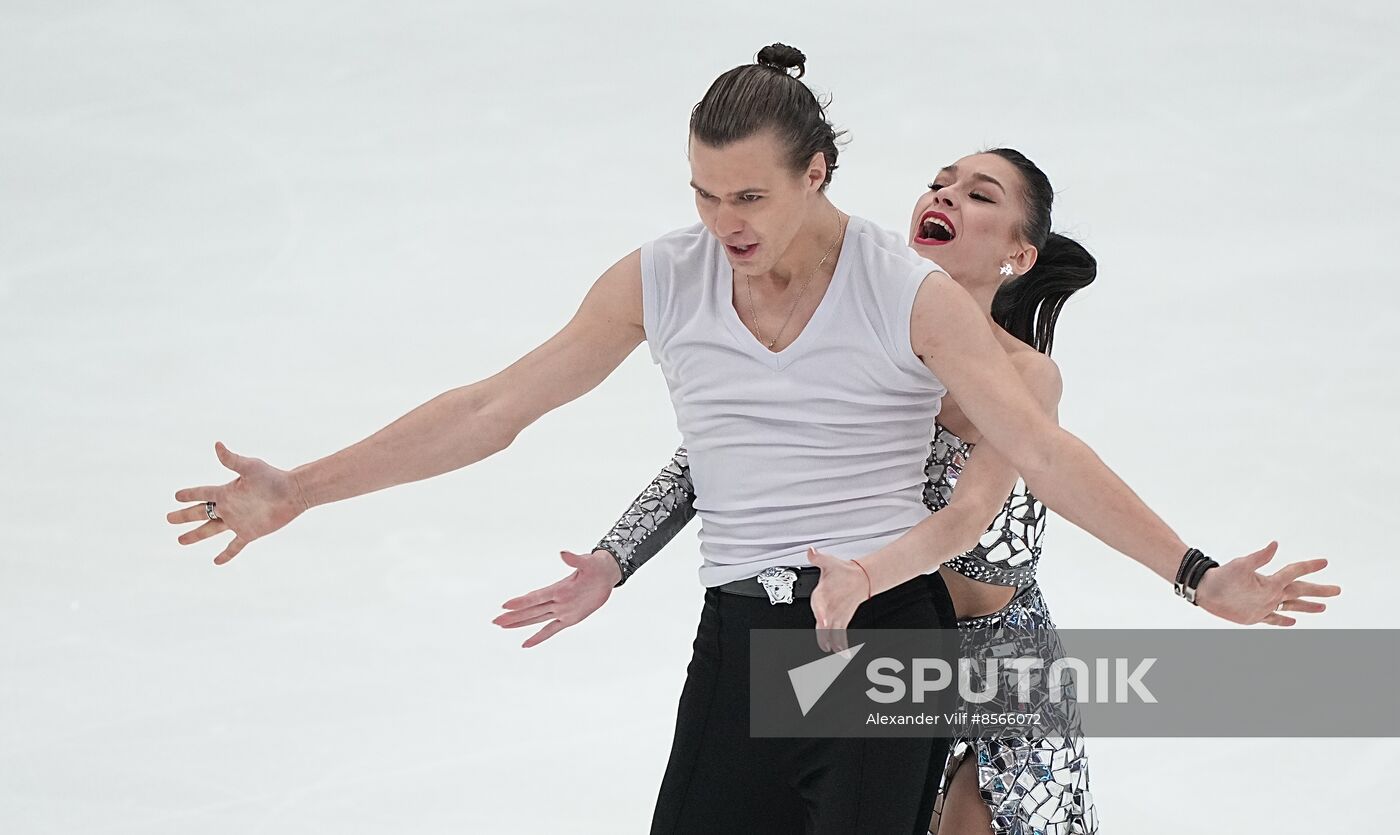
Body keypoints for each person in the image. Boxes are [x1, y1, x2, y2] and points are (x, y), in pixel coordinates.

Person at [168, 44, 1333, 834]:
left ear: (815, 173)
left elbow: (1035, 450)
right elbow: (495, 406)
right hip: (741, 633)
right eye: (701, 195)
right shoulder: (660, 278)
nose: (723, 225)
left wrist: (1192, 574)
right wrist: (305, 488)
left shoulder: (903, 290)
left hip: (880, 634)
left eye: (748, 199)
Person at [494, 147, 1342, 835]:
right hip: (878, 649)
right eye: (939, 181)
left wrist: (1197, 575)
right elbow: (708, 460)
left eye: (979, 194)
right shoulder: (864, 328)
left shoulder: (1022, 376)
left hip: (1003, 666)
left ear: (1017, 253)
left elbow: (972, 512)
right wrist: (613, 556)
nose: (944, 195)